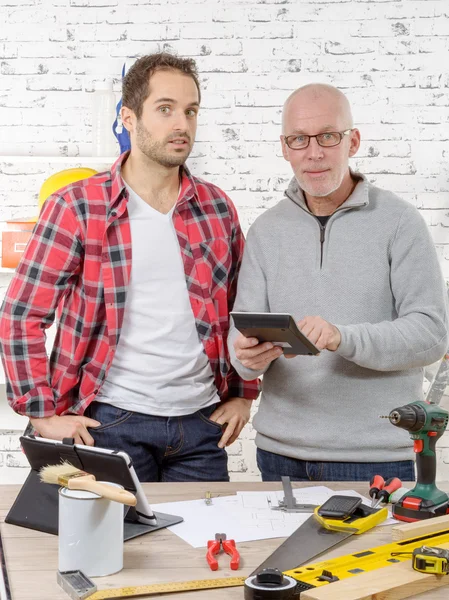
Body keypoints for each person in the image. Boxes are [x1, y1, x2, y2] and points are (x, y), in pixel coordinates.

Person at [0, 53, 259, 482]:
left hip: (201, 425)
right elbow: (22, 314)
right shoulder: (78, 206)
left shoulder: (216, 207)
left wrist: (245, 395)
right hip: (110, 423)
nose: (182, 124)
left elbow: (243, 308)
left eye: (191, 111)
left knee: (200, 549)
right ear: (129, 117)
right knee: (116, 548)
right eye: (165, 108)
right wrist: (41, 414)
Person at [229, 83, 449, 482]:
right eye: (299, 139)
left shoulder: (400, 223)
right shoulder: (265, 230)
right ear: (284, 147)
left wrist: (340, 337)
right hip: (279, 457)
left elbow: (432, 335)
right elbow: (240, 338)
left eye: (328, 136)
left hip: (379, 458)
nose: (314, 153)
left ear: (354, 141)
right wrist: (245, 357)